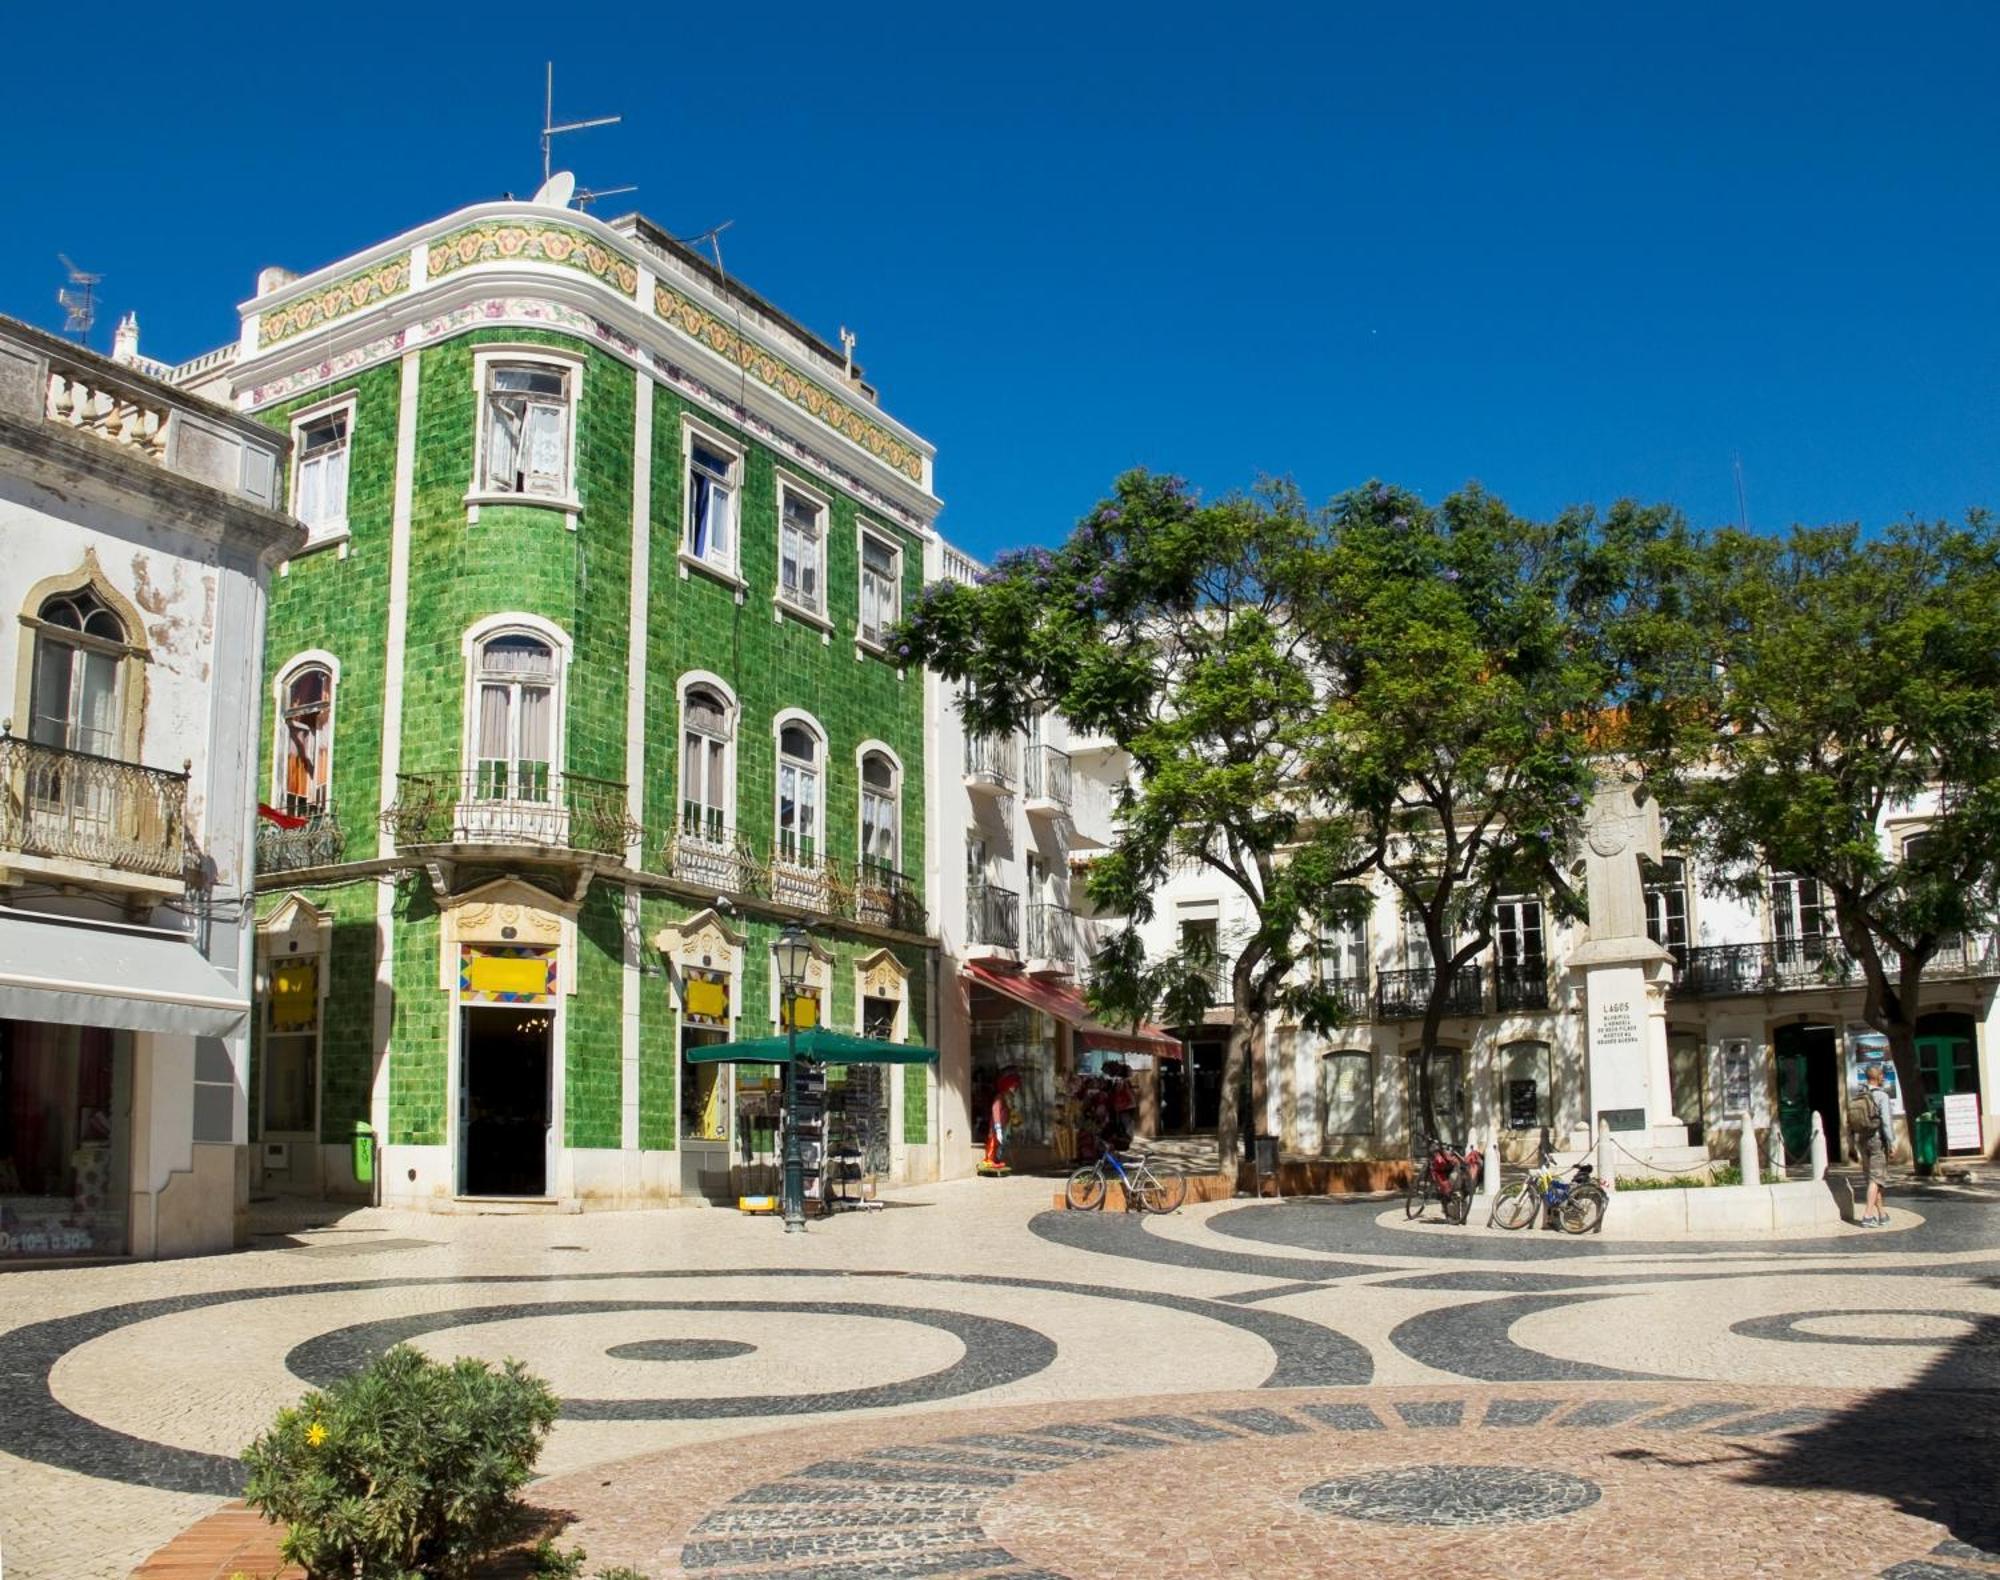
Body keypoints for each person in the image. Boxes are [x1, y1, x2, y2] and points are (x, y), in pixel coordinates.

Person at [1848, 1063, 1896, 1226]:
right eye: (1882, 1075)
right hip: (1877, 1141)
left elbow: (1850, 1122)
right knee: (1876, 1179)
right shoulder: (1882, 1096)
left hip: (1862, 1140)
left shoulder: (1859, 1095)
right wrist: (1892, 1142)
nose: (1883, 1077)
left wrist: (1851, 1145)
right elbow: (1887, 1122)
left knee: (1872, 1178)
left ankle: (1882, 1214)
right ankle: (1868, 1215)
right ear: (1878, 1076)